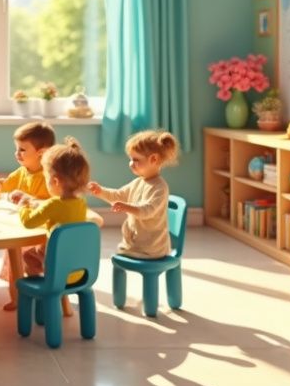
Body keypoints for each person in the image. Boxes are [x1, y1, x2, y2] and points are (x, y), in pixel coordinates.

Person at [15, 137, 92, 316]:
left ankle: (40, 293)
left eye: (46, 178)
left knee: (28, 255)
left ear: (55, 181)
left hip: (56, 267)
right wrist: (34, 202)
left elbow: (29, 222)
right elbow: (58, 210)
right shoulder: (81, 203)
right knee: (39, 250)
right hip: (78, 267)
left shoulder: (53, 204)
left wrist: (23, 207)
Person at [0, 122, 56, 310]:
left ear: (41, 153)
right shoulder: (22, 171)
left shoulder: (49, 177)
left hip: (42, 232)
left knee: (22, 255)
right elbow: (6, 185)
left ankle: (35, 290)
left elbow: (55, 202)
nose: (17, 154)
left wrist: (30, 200)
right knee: (13, 254)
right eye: (17, 149)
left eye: (22, 150)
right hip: (24, 226)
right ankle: (16, 297)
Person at [88, 130, 177, 260]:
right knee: (116, 256)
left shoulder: (160, 187)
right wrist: (100, 191)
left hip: (152, 248)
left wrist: (127, 207)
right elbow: (118, 195)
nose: (131, 164)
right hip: (135, 244)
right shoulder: (138, 182)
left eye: (136, 160)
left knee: (117, 257)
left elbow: (147, 211)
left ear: (154, 159)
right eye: (130, 159)